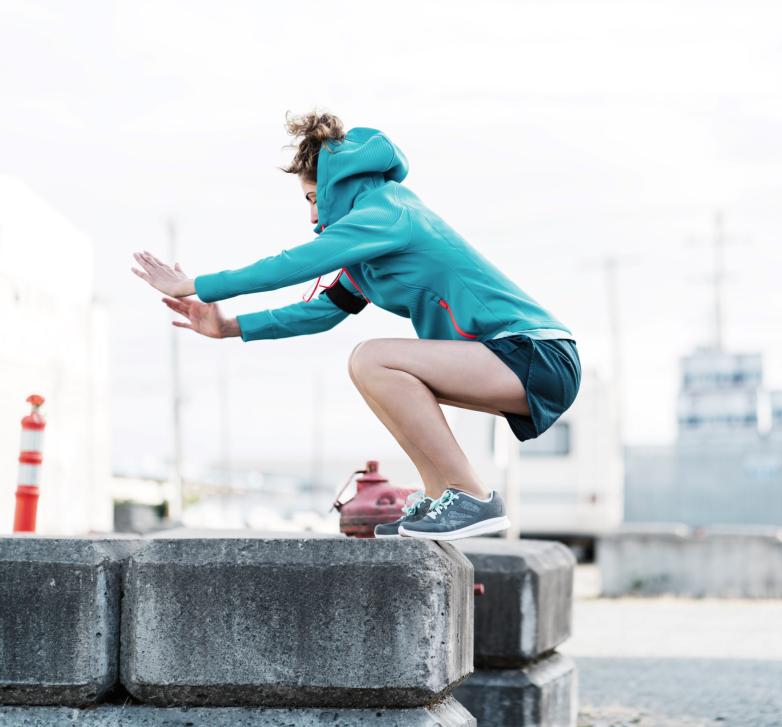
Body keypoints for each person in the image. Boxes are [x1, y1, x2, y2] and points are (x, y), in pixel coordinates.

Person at [131, 112, 580, 541]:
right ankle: (441, 497)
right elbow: (323, 309)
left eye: (312, 199)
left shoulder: (387, 211)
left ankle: (473, 497)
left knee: (374, 358)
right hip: (510, 358)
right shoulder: (370, 249)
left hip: (537, 354)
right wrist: (230, 327)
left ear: (333, 187)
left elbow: (295, 263)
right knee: (372, 371)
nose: (311, 217)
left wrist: (197, 285)